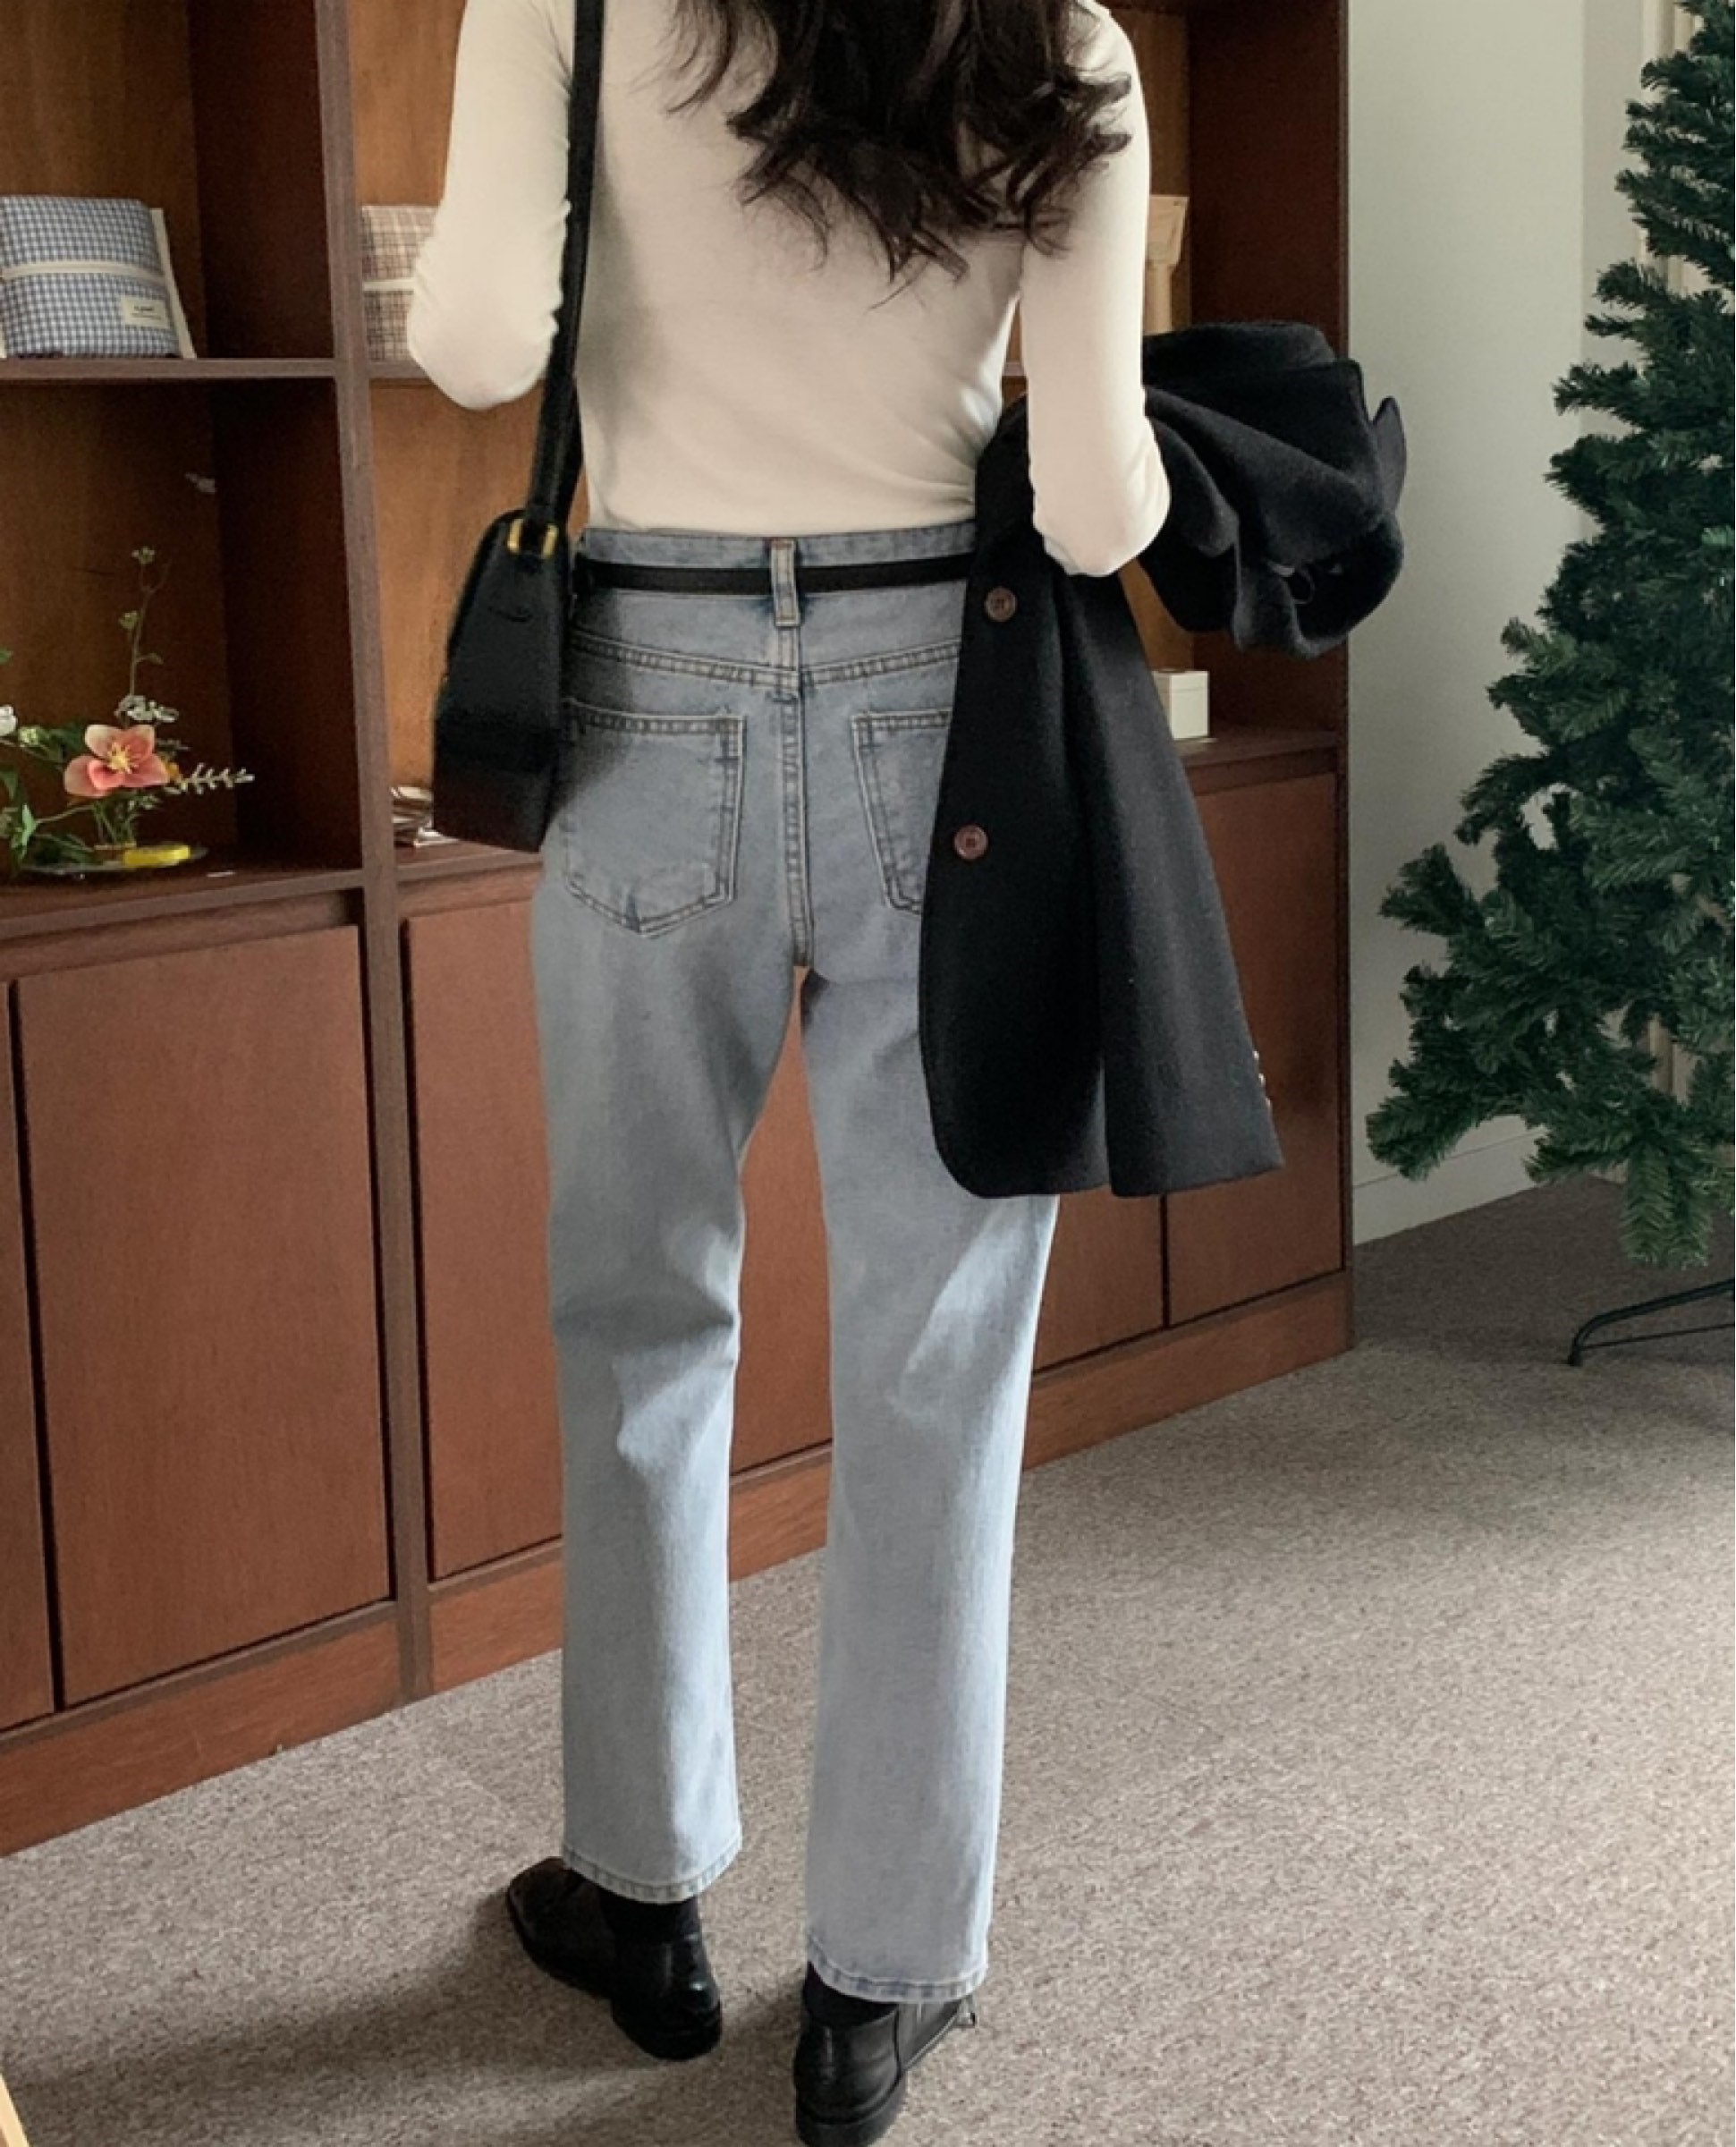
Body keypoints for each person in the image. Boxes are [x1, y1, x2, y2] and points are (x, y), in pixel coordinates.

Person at [408, 1, 1170, 2138]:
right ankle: (878, 1984)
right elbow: (1093, 510)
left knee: (637, 1308)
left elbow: (467, 347)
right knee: (938, 1360)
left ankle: (638, 1887)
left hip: (644, 692)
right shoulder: (1060, 34)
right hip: (945, 710)